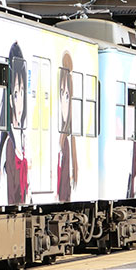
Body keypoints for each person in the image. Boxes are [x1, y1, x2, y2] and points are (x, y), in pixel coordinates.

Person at [0, 42, 28, 204]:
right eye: (16, 93)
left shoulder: (21, 141)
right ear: (10, 98)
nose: (21, 100)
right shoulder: (10, 144)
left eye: (23, 92)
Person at [57, 51, 78, 202]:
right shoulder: (61, 141)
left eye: (67, 96)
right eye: (61, 94)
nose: (64, 102)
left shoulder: (68, 143)